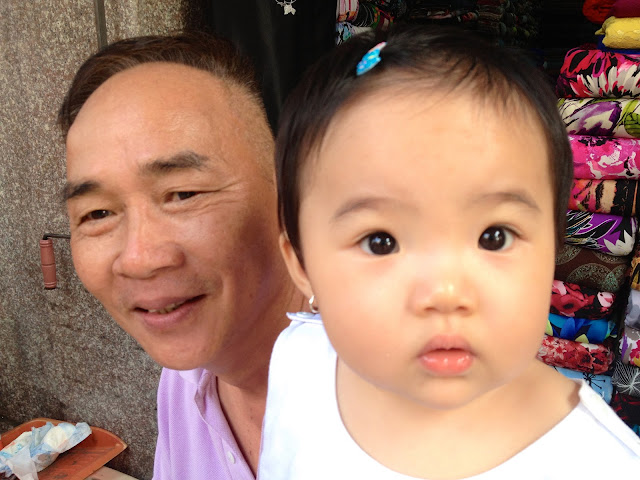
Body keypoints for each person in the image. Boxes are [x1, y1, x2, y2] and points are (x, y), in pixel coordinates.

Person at [258, 25, 640, 478]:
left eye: (494, 236)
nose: (445, 293)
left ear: (553, 248)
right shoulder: (298, 363)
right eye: (381, 242)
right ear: (301, 262)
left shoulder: (601, 465)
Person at [57, 33, 305, 479]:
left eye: (184, 194)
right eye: (97, 214)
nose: (139, 258)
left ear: (288, 192)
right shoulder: (184, 381)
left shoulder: (409, 404)